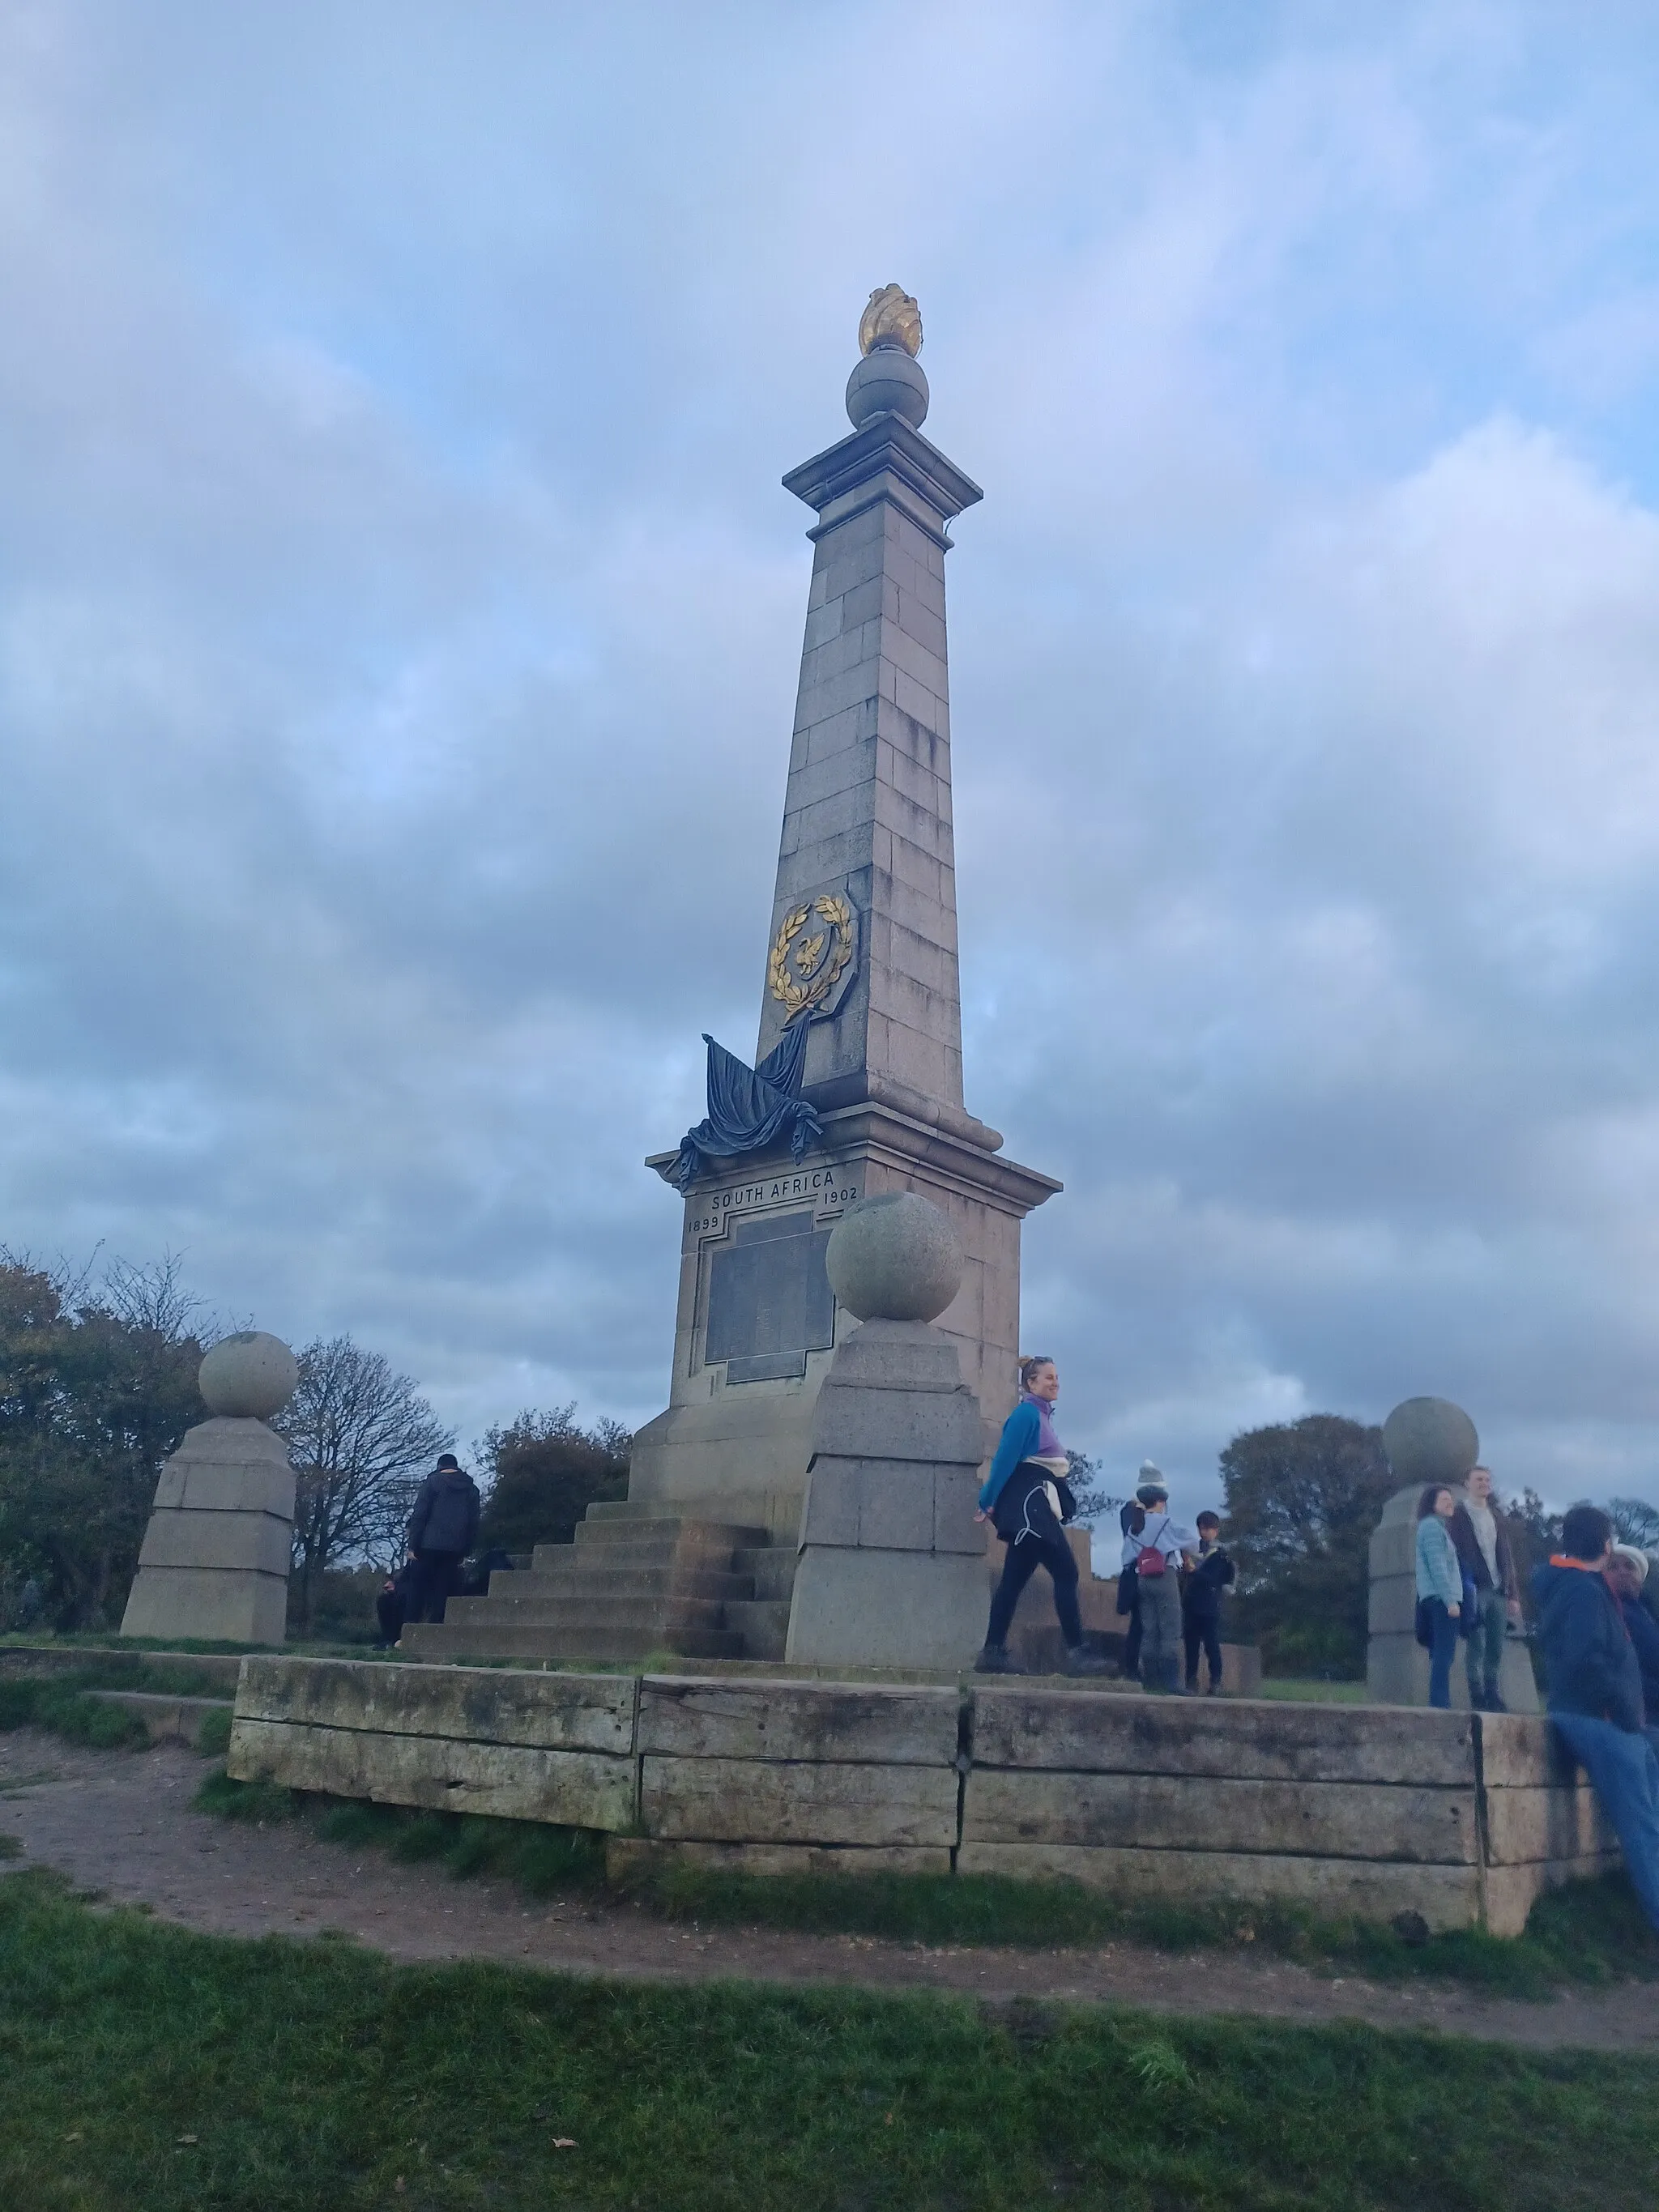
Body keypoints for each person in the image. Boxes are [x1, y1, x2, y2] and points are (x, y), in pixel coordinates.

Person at [1533, 1505, 1659, 1933]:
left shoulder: (1579, 1586)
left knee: (1651, 1821)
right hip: (1601, 1720)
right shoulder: (1583, 1591)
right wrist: (1622, 1711)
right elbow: (1585, 1660)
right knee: (1643, 1829)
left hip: (1614, 1721)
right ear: (1606, 1544)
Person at [974, 1356, 1109, 1677]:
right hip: (1031, 1506)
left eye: (1056, 1377)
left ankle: (992, 1651)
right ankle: (1077, 1653)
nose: (1055, 1382)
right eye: (1047, 1377)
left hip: (1034, 1506)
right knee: (1066, 1572)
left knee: (1013, 1583)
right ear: (1030, 1384)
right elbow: (1005, 1458)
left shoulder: (1040, 1416)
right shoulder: (1026, 1415)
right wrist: (986, 1500)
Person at [1448, 1465, 1521, 1711]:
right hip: (1474, 1588)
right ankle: (1476, 1692)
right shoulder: (1458, 1515)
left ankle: (1493, 1692)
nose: (1484, 1483)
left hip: (1499, 1589)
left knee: (1496, 1645)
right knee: (1476, 1643)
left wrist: (1513, 1593)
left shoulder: (1496, 1516)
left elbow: (1507, 1556)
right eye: (1479, 1479)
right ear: (1467, 1483)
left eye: (1487, 1480)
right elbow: (1454, 1554)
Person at [1120, 1472, 1196, 1694]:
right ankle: (1171, 1681)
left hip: (1142, 1578)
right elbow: (1191, 1542)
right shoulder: (1166, 1522)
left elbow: (1126, 1557)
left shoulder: (1135, 1526)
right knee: (1170, 1628)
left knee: (1149, 1629)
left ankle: (1151, 1681)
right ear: (1161, 1501)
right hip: (1165, 1576)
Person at [401, 1451, 481, 1630]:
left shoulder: (431, 1483)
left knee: (417, 1588)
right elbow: (474, 1523)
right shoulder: (471, 1489)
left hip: (427, 1545)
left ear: (440, 1466)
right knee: (442, 1590)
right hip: (455, 1548)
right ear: (456, 1466)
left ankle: (409, 1630)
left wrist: (413, 1545)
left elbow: (420, 1515)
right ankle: (435, 1629)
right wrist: (466, 1550)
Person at [1606, 1544, 1659, 1758]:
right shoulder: (1605, 1610)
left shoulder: (1649, 1614)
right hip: (1633, 1714)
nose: (1622, 1572)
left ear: (1641, 1576)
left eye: (1629, 1566)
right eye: (1614, 1566)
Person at [1414, 1485, 1463, 1710]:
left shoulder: (1433, 1527)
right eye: (1444, 1499)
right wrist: (1450, 1600)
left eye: (1450, 1499)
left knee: (1440, 1654)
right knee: (1444, 1654)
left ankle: (1439, 1702)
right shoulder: (1433, 1527)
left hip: (1433, 1597)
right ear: (1432, 1504)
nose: (1450, 1502)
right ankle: (1440, 1704)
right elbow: (1438, 1567)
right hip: (1441, 1599)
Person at [1183, 1511, 1235, 1695]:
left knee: (1212, 1645)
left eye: (1209, 1529)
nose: (1205, 1532)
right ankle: (1191, 1680)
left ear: (1216, 1530)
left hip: (1210, 1605)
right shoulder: (1194, 1550)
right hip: (1192, 1603)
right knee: (1191, 1646)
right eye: (1202, 1528)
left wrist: (1194, 1571)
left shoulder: (1220, 1555)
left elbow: (1214, 1578)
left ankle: (1216, 1681)